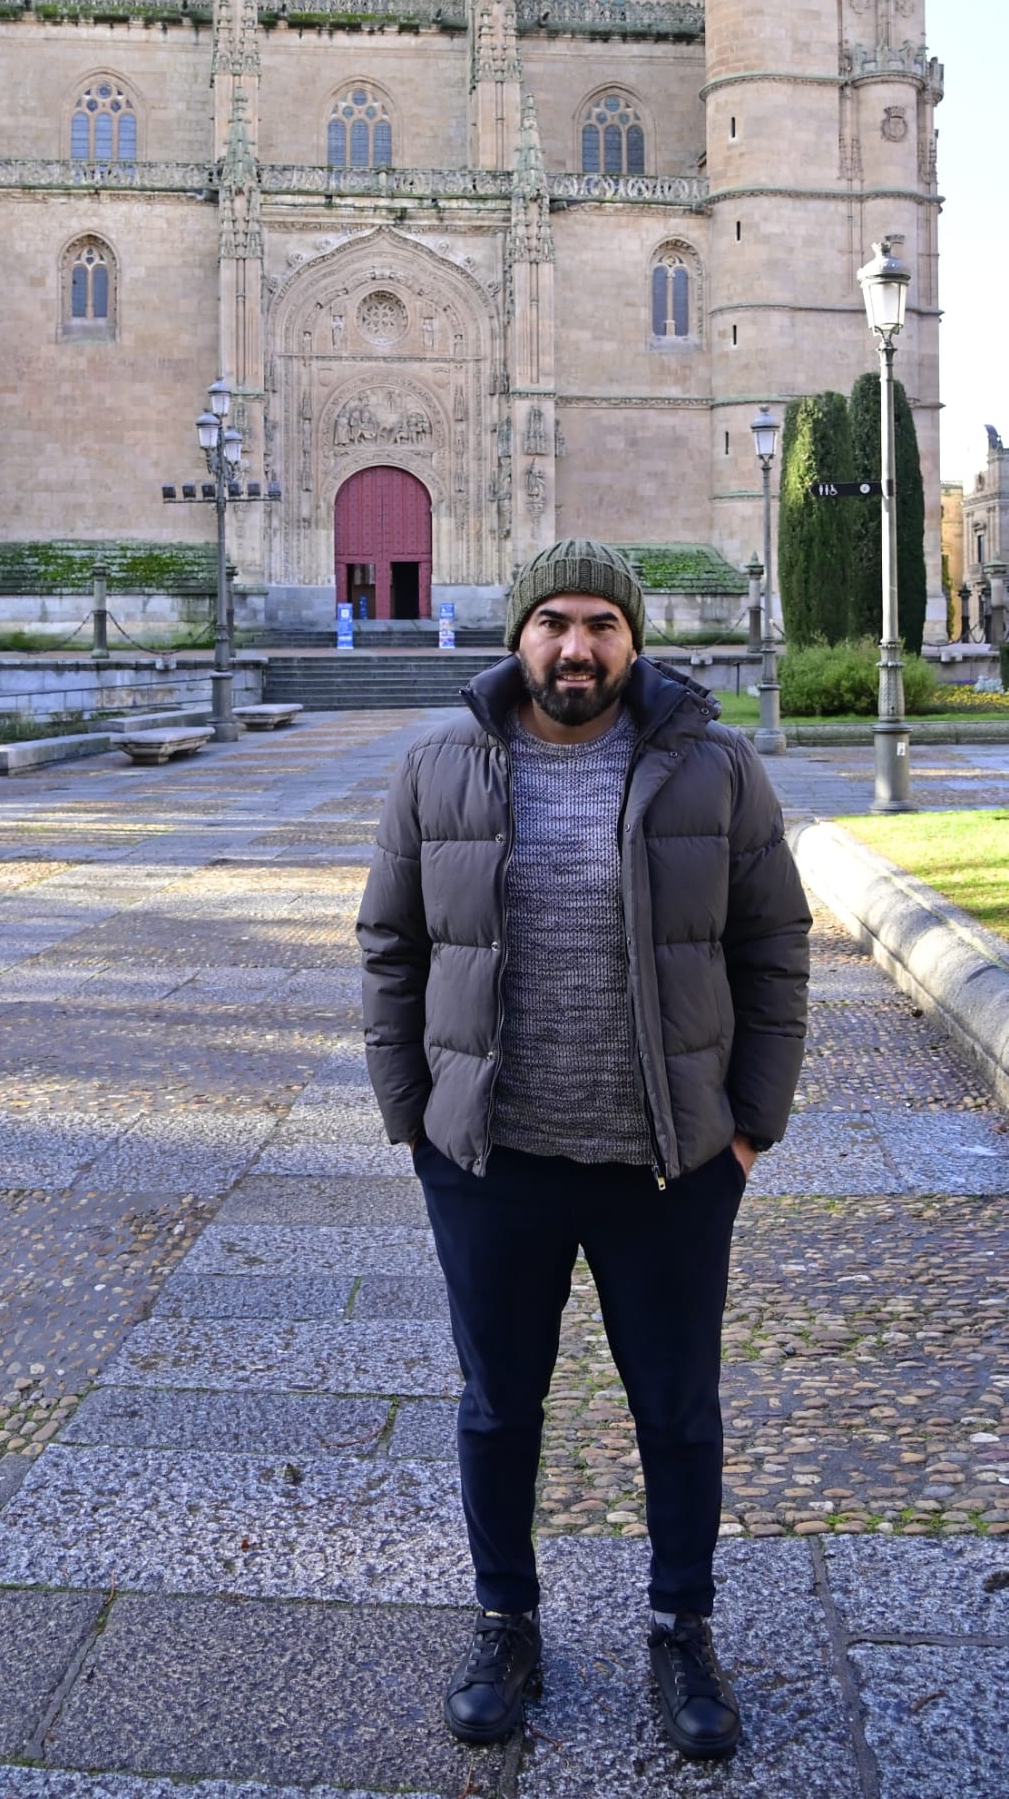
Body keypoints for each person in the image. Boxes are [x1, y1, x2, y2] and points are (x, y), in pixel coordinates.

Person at [357, 539, 810, 1760]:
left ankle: (681, 1625)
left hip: (668, 1162)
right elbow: (391, 943)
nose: (576, 646)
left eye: (602, 623)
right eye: (554, 621)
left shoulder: (714, 764)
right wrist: (416, 1118)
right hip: (490, 1160)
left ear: (632, 639)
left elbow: (774, 943)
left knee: (678, 1404)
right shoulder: (439, 764)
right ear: (518, 634)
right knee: (500, 1402)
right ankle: (505, 1620)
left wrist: (749, 1126)